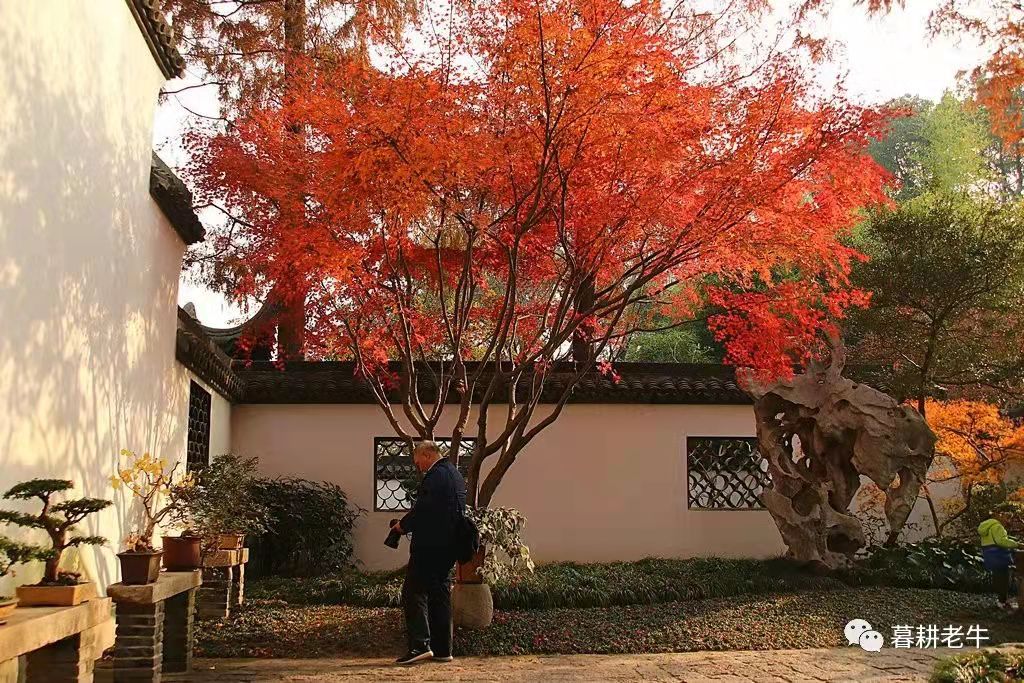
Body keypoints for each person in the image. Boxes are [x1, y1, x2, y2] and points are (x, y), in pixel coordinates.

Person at [390, 441, 467, 665]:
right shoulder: (454, 474)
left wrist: (402, 526)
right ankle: (443, 649)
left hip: (430, 546)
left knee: (413, 592)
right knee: (439, 594)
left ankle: (419, 645)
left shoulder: (436, 476)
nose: (418, 466)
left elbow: (424, 509)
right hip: (448, 545)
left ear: (427, 454)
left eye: (418, 461)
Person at [979, 509, 1019, 610]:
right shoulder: (997, 526)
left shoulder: (988, 526)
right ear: (999, 516)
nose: (1008, 520)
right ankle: (1002, 602)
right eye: (1007, 517)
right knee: (1004, 579)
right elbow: (1001, 541)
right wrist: (1017, 544)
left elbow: (998, 539)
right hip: (1000, 555)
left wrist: (1012, 540)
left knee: (998, 577)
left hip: (990, 555)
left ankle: (1000, 601)